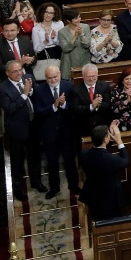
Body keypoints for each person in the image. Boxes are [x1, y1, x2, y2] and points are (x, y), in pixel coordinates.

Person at [0, 60, 43, 200]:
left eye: (20, 70)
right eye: (15, 71)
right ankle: (19, 189)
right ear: (7, 73)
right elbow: (10, 109)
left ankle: (36, 182)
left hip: (33, 125)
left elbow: (36, 94)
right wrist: (24, 94)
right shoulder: (2, 89)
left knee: (35, 157)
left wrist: (32, 90)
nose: (19, 74)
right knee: (17, 161)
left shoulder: (27, 78)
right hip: (17, 129)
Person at [32, 62, 78, 199]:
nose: (53, 80)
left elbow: (75, 107)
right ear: (46, 78)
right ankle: (54, 188)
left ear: (60, 75)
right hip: (49, 133)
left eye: (55, 77)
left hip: (67, 131)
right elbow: (38, 111)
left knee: (70, 160)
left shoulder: (69, 86)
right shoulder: (39, 90)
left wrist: (64, 105)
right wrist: (54, 105)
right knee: (52, 162)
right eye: (49, 78)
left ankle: (74, 185)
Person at [80, 122, 129, 220]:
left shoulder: (83, 154)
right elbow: (126, 161)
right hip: (111, 200)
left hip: (93, 197)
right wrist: (119, 141)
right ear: (105, 139)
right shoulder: (111, 159)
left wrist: (109, 141)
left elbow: (100, 151)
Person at [73, 63, 114, 139]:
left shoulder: (104, 86)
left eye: (93, 76)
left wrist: (98, 105)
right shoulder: (76, 89)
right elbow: (76, 109)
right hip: (84, 128)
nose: (91, 79)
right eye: (88, 76)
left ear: (97, 75)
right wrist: (92, 106)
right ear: (83, 76)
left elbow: (108, 105)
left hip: (102, 127)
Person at [58, 8, 92, 77]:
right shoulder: (62, 32)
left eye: (79, 17)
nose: (79, 19)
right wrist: (75, 36)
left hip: (84, 60)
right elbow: (65, 49)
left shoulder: (85, 27)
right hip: (69, 62)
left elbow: (87, 45)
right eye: (76, 18)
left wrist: (81, 34)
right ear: (68, 20)